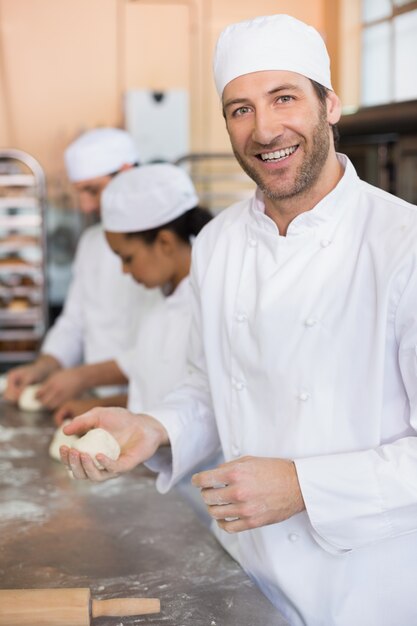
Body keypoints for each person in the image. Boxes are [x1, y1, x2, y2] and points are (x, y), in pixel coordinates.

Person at [60, 14, 417, 626]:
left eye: (284, 98)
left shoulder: (402, 245)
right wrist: (154, 426)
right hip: (241, 571)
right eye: (240, 109)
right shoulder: (219, 242)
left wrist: (304, 487)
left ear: (330, 105)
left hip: (365, 589)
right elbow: (208, 384)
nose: (265, 128)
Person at [4, 128, 158, 408]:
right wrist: (45, 366)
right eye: (80, 193)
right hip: (98, 400)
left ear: (126, 173)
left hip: (152, 403)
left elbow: (166, 352)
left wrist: (83, 378)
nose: (86, 206)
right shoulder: (91, 243)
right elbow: (74, 322)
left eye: (92, 190)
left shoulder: (166, 246)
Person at [52, 164, 213, 428]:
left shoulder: (210, 302)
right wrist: (98, 406)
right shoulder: (161, 298)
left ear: (164, 243)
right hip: (154, 460)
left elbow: (201, 409)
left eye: (128, 258)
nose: (124, 271)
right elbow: (150, 387)